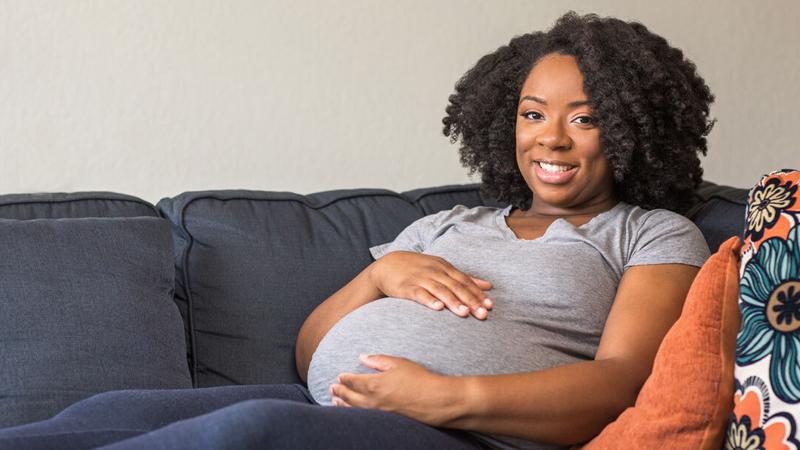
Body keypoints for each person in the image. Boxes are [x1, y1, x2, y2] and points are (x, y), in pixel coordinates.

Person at [0, 11, 714, 450]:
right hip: (342, 408)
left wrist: (447, 397)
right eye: (532, 114)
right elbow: (311, 348)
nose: (550, 140)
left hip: (462, 434)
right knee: (113, 410)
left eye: (583, 118)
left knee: (241, 437)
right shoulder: (450, 223)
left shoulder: (651, 235)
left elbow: (622, 384)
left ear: (629, 129)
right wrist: (377, 276)